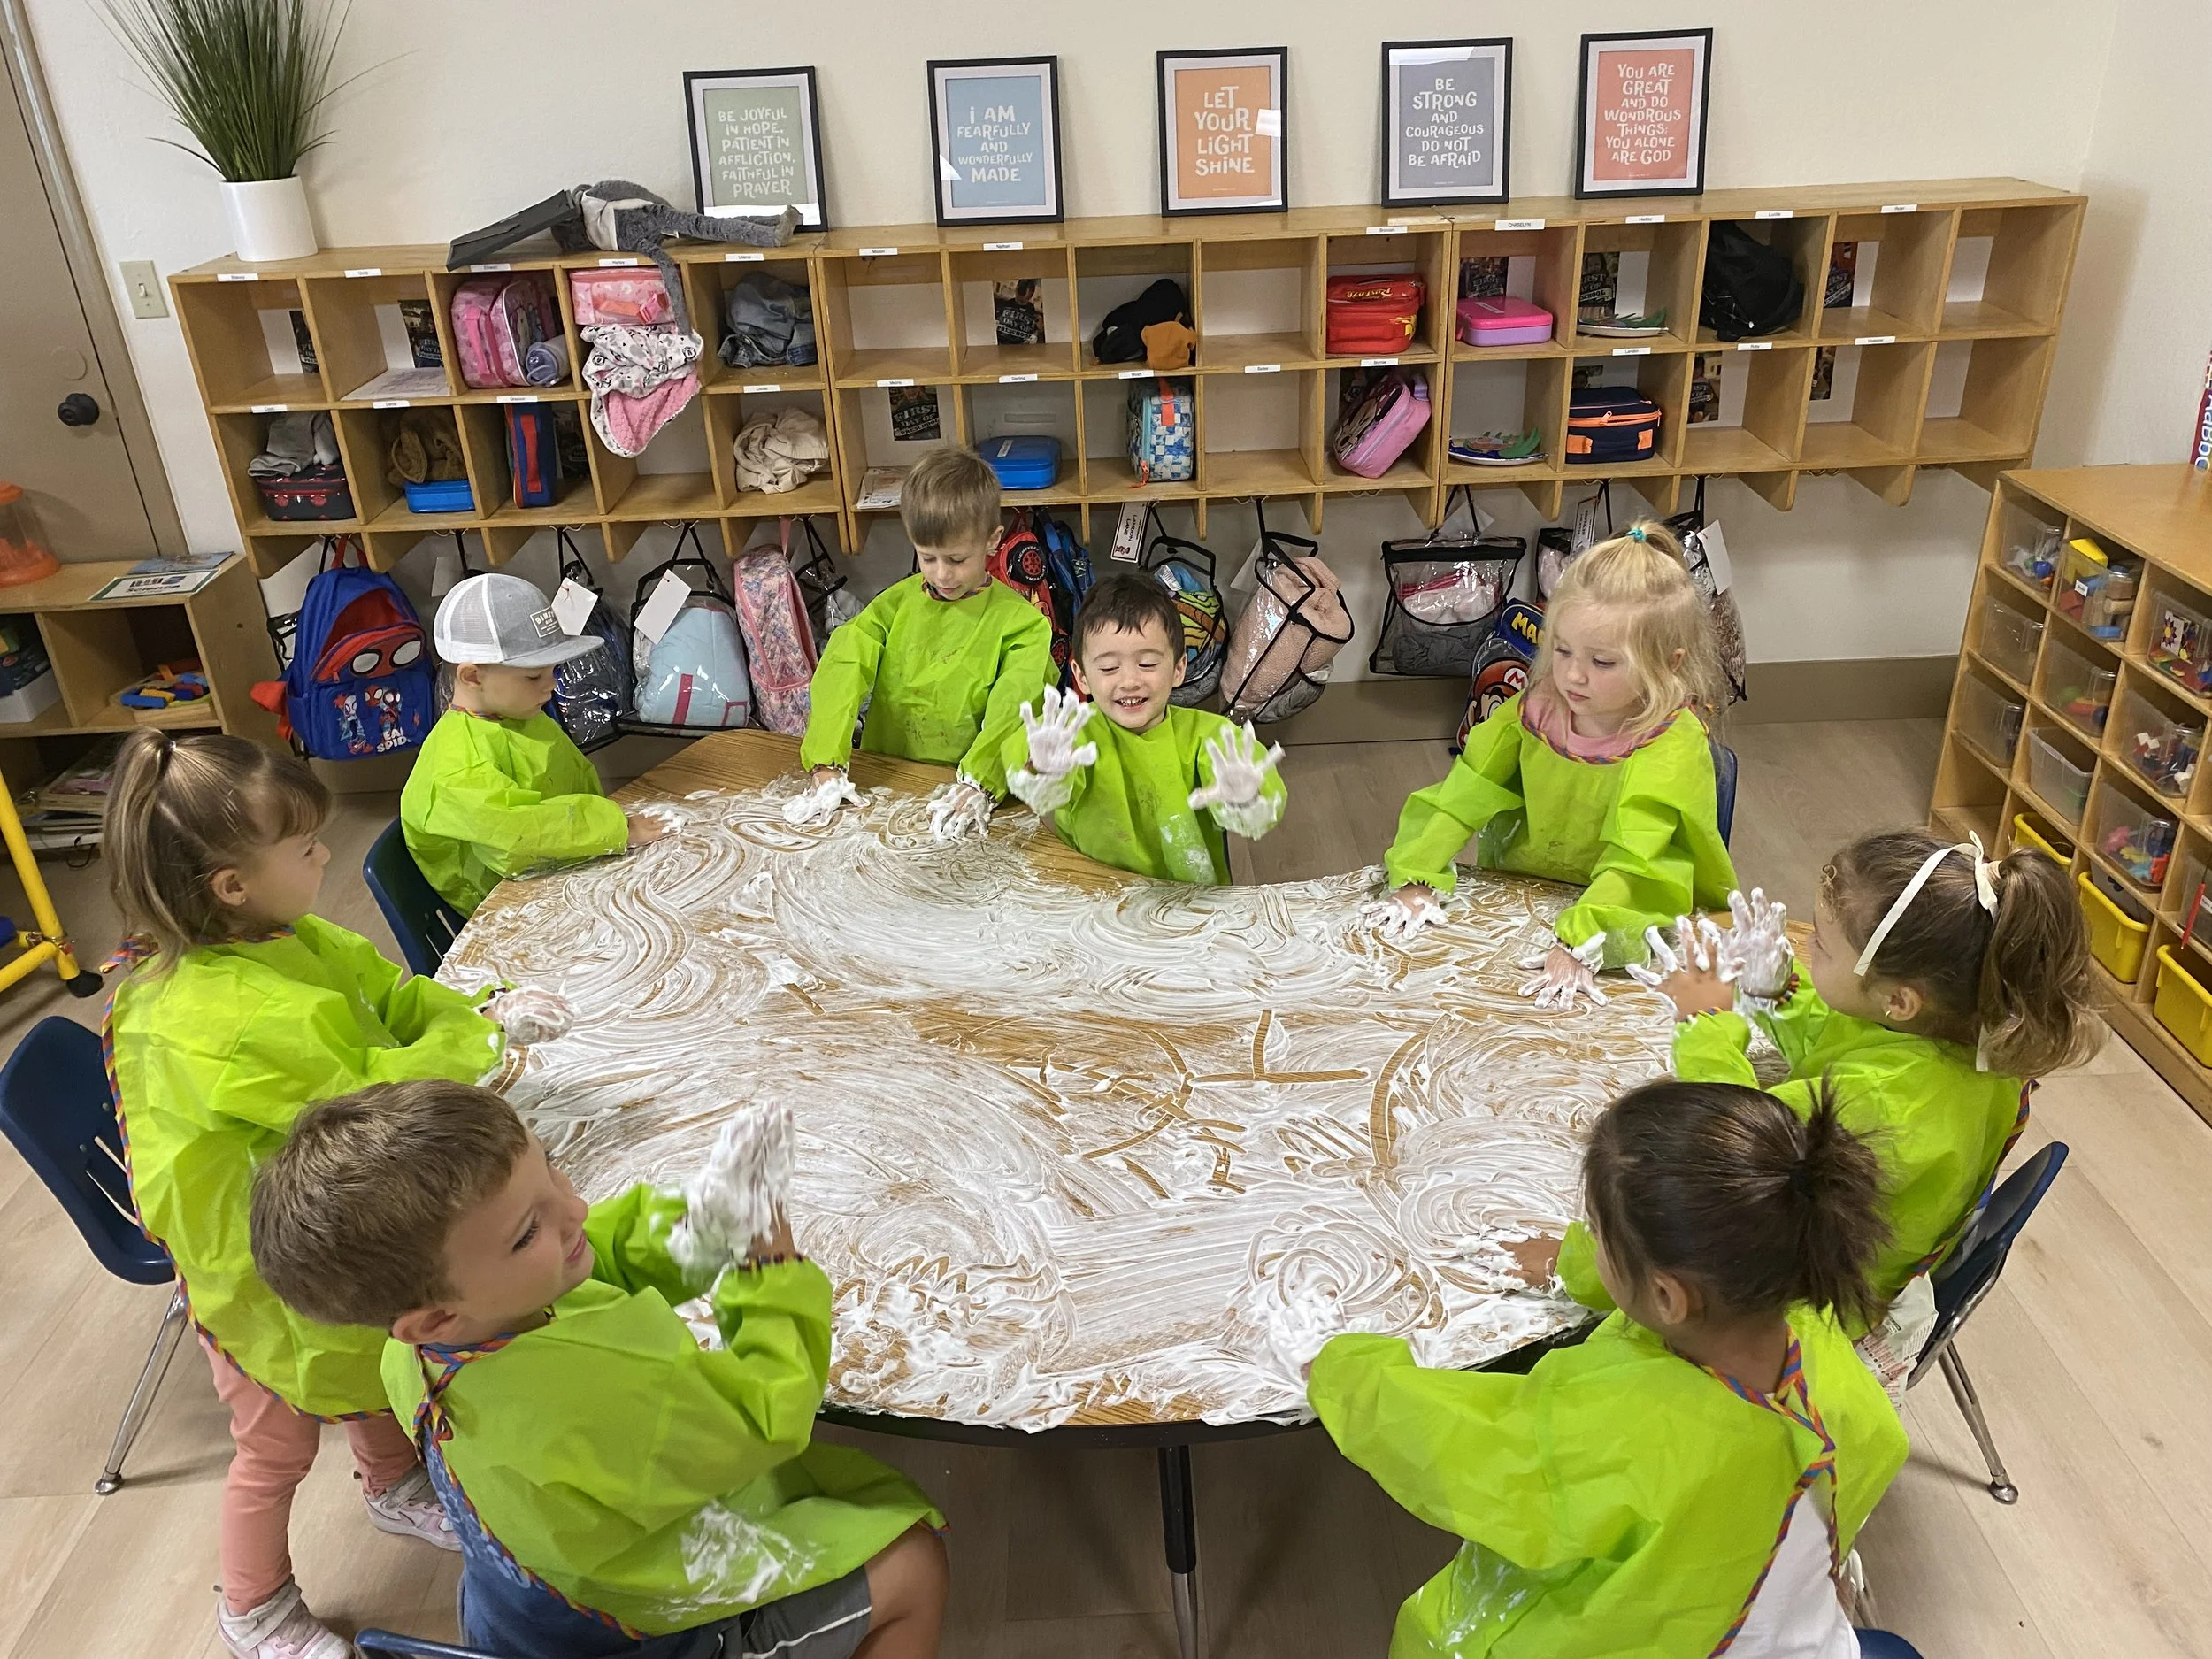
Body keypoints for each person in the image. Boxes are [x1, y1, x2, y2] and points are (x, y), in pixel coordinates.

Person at [250, 1080, 949, 1659]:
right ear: (436, 1317)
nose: (574, 1207)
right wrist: (770, 1270)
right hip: (637, 1635)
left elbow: (597, 1253)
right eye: (528, 1230)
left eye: (550, 1167)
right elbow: (766, 1417)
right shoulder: (588, 1402)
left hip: (520, 1611)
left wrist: (706, 1221)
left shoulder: (415, 1347)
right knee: (914, 1564)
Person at [102, 729, 522, 1659]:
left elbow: (389, 996)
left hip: (318, 1227)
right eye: (303, 848)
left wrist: (472, 1015)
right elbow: (380, 1098)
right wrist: (483, 1050)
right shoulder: (236, 1019)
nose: (324, 855)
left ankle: (390, 1485)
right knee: (277, 1447)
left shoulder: (288, 936)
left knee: (367, 1358)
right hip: (248, 1277)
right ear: (231, 886)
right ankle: (251, 1605)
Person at [1310, 1077, 1907, 1658]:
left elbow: (1454, 1445)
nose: (1590, 1240)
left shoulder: (1625, 1433)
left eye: (1596, 1232)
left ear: (1669, 1297)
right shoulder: (1817, 1343)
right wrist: (1575, 1262)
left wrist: (1341, 1370)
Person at [1563, 832, 2101, 1376]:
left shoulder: (1886, 1102)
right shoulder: (1975, 1036)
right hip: (1860, 1250)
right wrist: (1780, 994)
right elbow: (1850, 1036)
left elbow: (1732, 1142)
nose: (1805, 948)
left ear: (1899, 999)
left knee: (1631, 1211)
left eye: (1820, 944)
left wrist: (1706, 1023)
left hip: (1806, 1309)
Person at [1365, 521, 1737, 1010]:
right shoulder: (1534, 710)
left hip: (1625, 915)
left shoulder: (1671, 743)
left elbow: (1638, 862)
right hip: (1526, 891)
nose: (1572, 675)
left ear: (1668, 664)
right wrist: (1418, 872)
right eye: (1561, 650)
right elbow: (1464, 792)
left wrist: (1583, 939)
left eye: (1602, 662)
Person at [787, 445, 1053, 842]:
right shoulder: (896, 605)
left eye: (957, 559)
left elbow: (1016, 707)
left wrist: (980, 782)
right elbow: (844, 665)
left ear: (992, 541)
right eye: (927, 558)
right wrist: (826, 759)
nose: (942, 574)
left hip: (968, 791)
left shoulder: (1022, 625)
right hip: (887, 776)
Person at [403, 572, 664, 917]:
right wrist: (617, 829)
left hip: (561, 861)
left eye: (553, 670)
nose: (552, 686)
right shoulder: (459, 767)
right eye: (533, 676)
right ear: (472, 677)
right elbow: (516, 838)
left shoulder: (518, 716)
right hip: (508, 907)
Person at [1002, 572, 1286, 884]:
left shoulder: (1209, 736)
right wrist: (1041, 766)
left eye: (1147, 663)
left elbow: (1258, 804)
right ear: (1081, 676)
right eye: (1109, 668)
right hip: (1098, 893)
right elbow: (1031, 781)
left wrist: (1246, 796)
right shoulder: (1073, 733)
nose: (1129, 681)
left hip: (1189, 896)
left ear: (1178, 669)